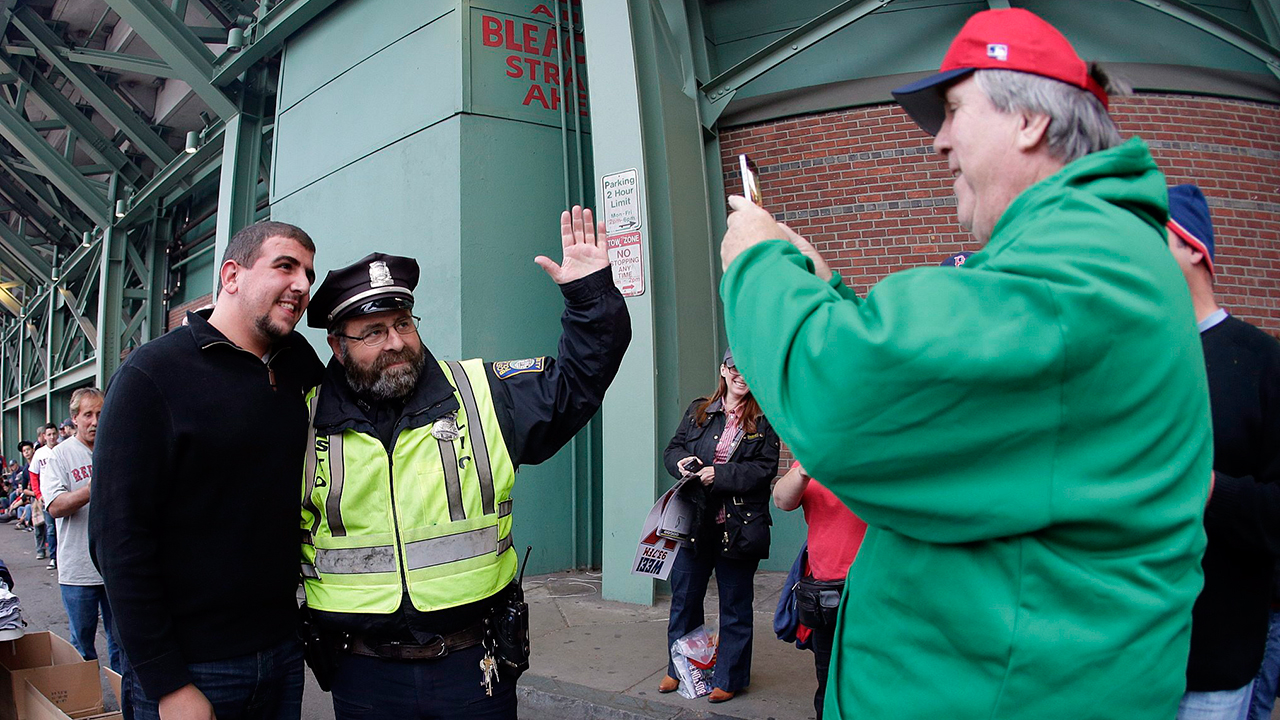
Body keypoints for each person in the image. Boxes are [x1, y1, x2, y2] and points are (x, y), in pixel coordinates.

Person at [718, 8, 1212, 719]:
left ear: (1029, 123)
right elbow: (933, 400)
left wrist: (758, 264)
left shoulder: (1074, 274)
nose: (940, 141)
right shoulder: (1094, 257)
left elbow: (850, 408)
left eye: (952, 111)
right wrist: (824, 293)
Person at [298, 205, 630, 720]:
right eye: (373, 331)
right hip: (360, 673)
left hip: (473, 665)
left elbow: (575, 386)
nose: (396, 342)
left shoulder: (480, 393)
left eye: (403, 323)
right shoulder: (301, 421)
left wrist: (590, 298)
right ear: (336, 346)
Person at [91, 220, 322, 720]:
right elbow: (118, 539)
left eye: (308, 272)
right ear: (232, 276)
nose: (302, 284)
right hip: (194, 668)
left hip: (282, 654)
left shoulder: (298, 364)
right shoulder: (151, 376)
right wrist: (167, 682)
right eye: (285, 266)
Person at [1163, 184, 1280, 720]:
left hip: (1213, 668)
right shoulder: (1134, 359)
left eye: (1151, 237)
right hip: (1129, 658)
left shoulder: (1261, 362)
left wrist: (1210, 488)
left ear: (1194, 248)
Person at [658, 349, 780, 704]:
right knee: (684, 600)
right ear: (723, 371)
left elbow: (764, 469)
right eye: (734, 368)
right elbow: (673, 448)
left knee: (736, 605)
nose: (740, 375)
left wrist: (719, 474)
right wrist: (681, 463)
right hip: (695, 522)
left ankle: (730, 676)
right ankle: (679, 668)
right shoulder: (699, 410)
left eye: (747, 369)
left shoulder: (764, 419)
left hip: (739, 526)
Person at [773, 461, 865, 720]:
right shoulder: (818, 451)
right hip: (827, 592)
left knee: (871, 679)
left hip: (876, 592)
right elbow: (782, 500)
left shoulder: (886, 449)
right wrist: (803, 470)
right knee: (828, 679)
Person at [42, 387, 121, 672]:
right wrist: (90, 491)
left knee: (122, 641)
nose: (95, 421)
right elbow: (54, 506)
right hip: (78, 570)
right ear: (75, 418)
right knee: (82, 644)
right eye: (88, 414)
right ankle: (88, 704)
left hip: (115, 566)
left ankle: (126, 701)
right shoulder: (60, 455)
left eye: (100, 413)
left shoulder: (117, 446)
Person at [30, 423, 57, 566]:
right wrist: (38, 495)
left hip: (62, 495)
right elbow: (33, 474)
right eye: (49, 434)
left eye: (54, 434)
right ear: (44, 437)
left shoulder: (62, 449)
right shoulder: (40, 453)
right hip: (47, 498)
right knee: (51, 529)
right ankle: (54, 557)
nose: (52, 437)